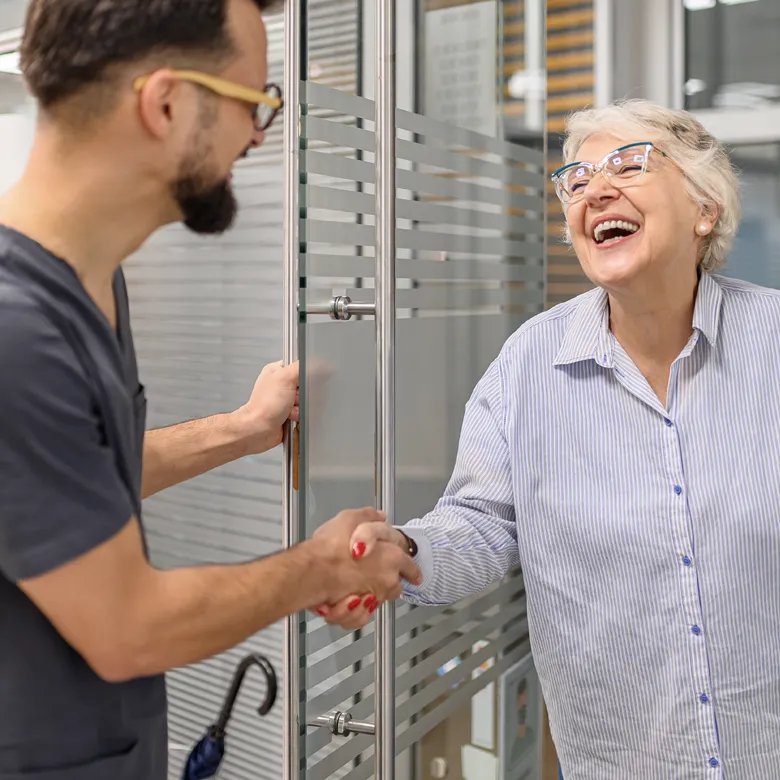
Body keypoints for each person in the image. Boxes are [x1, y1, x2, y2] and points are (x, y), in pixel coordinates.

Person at [0, 1, 421, 778]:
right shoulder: (17, 330)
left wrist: (244, 429)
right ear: (165, 103)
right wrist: (321, 567)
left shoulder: (92, 283)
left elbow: (71, 477)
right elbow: (127, 626)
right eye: (255, 104)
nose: (258, 137)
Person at [321, 100, 780, 779]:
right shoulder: (528, 364)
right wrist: (404, 552)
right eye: (577, 178)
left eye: (628, 164)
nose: (596, 189)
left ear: (704, 209)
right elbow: (479, 525)